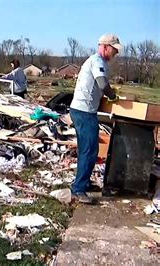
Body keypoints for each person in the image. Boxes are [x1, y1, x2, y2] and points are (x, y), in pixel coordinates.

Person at [69, 33, 121, 204]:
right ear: (106, 47)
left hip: (84, 111)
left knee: (89, 150)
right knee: (89, 151)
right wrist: (112, 95)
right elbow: (102, 83)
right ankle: (78, 189)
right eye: (114, 50)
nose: (116, 54)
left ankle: (82, 183)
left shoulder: (99, 61)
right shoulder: (97, 61)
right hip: (84, 112)